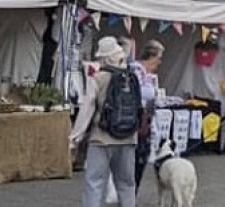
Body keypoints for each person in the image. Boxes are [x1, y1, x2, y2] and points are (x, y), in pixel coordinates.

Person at [69, 37, 139, 207]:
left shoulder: (98, 78)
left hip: (101, 138)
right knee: (127, 184)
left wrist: (75, 137)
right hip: (128, 137)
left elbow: (87, 109)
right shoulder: (131, 77)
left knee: (95, 183)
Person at [129, 38, 164, 189]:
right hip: (135, 123)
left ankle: (131, 196)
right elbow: (135, 95)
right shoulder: (136, 71)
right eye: (159, 58)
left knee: (141, 161)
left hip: (145, 125)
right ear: (151, 56)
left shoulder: (148, 76)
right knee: (135, 162)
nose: (160, 62)